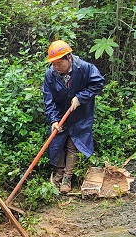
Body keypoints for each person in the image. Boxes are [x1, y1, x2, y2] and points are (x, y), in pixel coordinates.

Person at [42, 40, 105, 194]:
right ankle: (59, 171)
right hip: (60, 114)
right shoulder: (50, 74)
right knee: (56, 141)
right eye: (53, 64)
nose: (56, 67)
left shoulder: (84, 68)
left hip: (80, 114)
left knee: (73, 143)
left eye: (59, 63)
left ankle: (67, 178)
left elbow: (98, 83)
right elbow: (48, 98)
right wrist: (54, 120)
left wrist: (80, 97)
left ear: (69, 58)